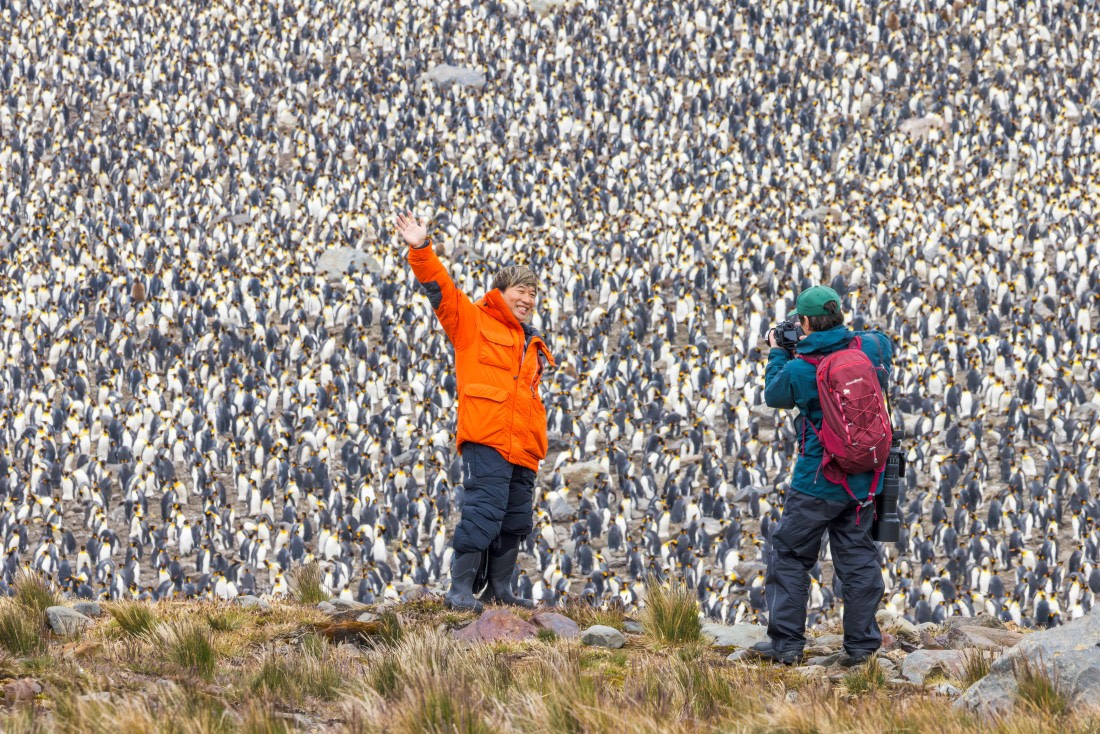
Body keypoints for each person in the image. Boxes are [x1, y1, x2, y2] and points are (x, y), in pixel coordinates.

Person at [395, 211, 554, 611]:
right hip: (487, 436)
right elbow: (442, 292)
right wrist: (421, 248)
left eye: (534, 294)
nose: (529, 299)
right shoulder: (473, 322)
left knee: (516, 521)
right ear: (500, 291)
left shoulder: (530, 342)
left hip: (523, 444)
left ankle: (499, 588)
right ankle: (460, 590)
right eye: (521, 290)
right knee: (483, 511)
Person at [754, 285, 894, 665]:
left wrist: (780, 350)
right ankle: (862, 647)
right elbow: (882, 342)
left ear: (804, 323)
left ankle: (786, 645)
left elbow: (774, 394)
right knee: (858, 559)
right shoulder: (868, 350)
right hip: (866, 477)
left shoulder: (801, 368)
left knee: (790, 554)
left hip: (818, 480)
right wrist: (844, 335)